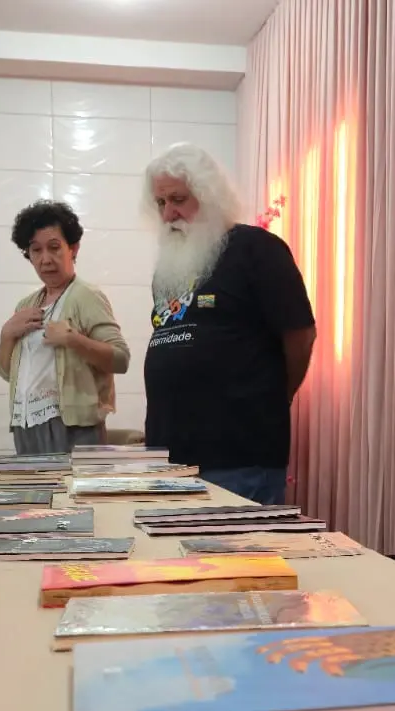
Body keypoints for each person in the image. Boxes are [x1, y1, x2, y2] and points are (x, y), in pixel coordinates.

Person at [141, 144, 316, 505]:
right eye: (160, 203)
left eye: (178, 199)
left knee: (241, 545)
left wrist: (277, 395)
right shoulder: (168, 268)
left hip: (239, 457)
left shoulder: (257, 249)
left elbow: (300, 335)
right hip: (170, 457)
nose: (168, 213)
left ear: (209, 195)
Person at [0, 200, 130, 454]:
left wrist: (72, 339)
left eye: (54, 247)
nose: (45, 259)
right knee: (31, 483)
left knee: (72, 483)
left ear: (73, 248)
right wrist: (6, 335)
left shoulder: (85, 296)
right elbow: (6, 373)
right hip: (25, 425)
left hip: (73, 426)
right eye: (36, 250)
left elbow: (121, 359)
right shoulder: (26, 305)